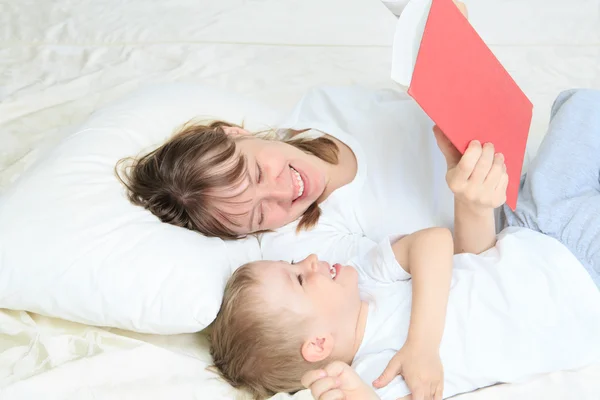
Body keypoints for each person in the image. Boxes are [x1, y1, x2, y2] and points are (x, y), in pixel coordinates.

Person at [301, 88, 600, 400]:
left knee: (580, 105)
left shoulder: (365, 276)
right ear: (318, 343)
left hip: (528, 227)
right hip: (582, 282)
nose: (308, 259)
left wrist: (422, 344)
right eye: (297, 279)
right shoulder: (375, 373)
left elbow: (435, 242)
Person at [116, 2, 474, 262]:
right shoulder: (310, 245)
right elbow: (462, 269)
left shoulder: (320, 108)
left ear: (236, 132)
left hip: (501, 142)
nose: (282, 192)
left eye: (257, 173)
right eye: (259, 215)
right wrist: (474, 203)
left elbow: (424, 99)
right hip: (505, 221)